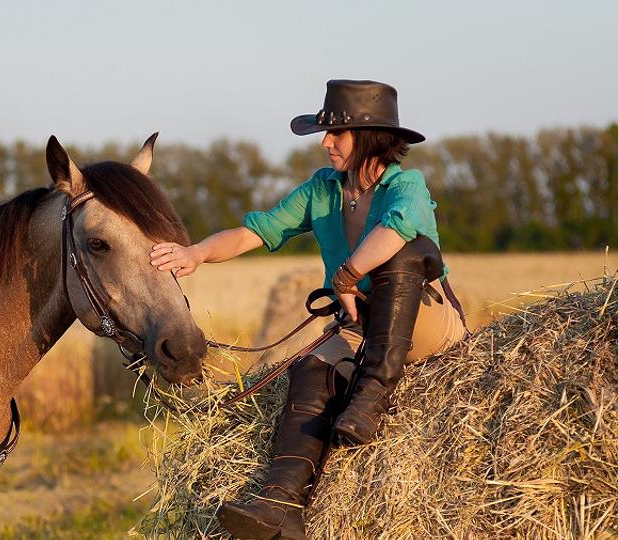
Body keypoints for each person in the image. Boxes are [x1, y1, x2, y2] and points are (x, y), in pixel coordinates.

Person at [149, 79, 468, 539]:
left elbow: (395, 232)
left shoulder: (407, 185)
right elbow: (256, 231)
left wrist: (345, 276)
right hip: (361, 327)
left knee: (405, 252)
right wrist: (196, 252)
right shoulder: (323, 189)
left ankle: (373, 394)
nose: (325, 143)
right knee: (310, 368)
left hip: (425, 322)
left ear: (369, 135)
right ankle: (281, 504)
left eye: (336, 133)